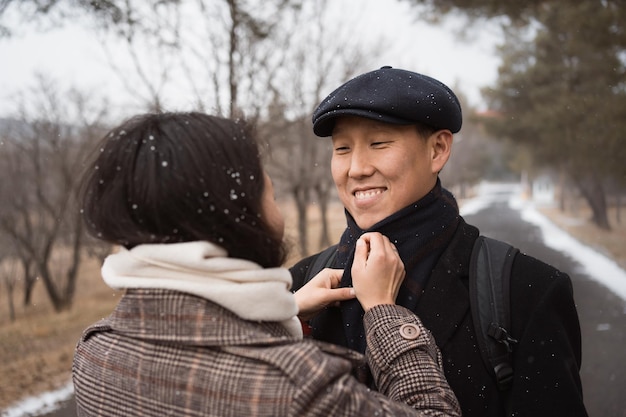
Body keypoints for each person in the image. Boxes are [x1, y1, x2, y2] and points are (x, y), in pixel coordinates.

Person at [72, 111, 461, 417]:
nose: (356, 168)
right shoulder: (298, 389)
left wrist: (285, 313)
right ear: (237, 218)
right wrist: (383, 312)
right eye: (270, 197)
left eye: (379, 143)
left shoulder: (95, 350)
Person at [290, 66, 589, 417]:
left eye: (378, 143)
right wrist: (287, 325)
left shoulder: (524, 291)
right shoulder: (301, 287)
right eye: (342, 148)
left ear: (437, 149)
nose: (356, 168)